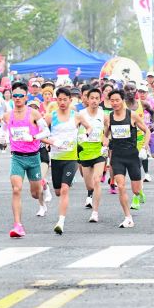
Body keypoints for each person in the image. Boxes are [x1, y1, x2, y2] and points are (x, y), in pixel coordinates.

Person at [2, 82, 50, 238]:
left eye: (20, 96)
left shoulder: (34, 114)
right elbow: (3, 129)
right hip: (17, 157)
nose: (17, 98)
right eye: (14, 96)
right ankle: (18, 225)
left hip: (33, 158)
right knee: (16, 189)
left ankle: (43, 189)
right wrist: (3, 138)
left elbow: (46, 131)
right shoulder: (7, 115)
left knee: (35, 193)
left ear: (26, 97)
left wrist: (34, 137)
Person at [43, 87, 92, 235]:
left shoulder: (76, 116)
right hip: (56, 158)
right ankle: (52, 194)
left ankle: (61, 222)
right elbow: (39, 135)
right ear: (56, 100)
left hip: (71, 158)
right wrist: (51, 142)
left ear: (70, 100)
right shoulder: (50, 117)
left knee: (65, 189)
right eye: (60, 99)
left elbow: (89, 127)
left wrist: (85, 135)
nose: (62, 102)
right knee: (58, 191)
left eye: (65, 99)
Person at [104, 89, 151, 227]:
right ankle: (128, 217)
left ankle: (139, 192)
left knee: (135, 190)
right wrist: (104, 144)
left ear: (122, 101)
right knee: (121, 186)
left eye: (117, 100)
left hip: (132, 156)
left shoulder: (132, 115)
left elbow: (147, 131)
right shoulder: (109, 117)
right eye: (112, 100)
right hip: (117, 157)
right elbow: (105, 134)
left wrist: (144, 147)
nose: (114, 103)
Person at [78, 88, 108, 222]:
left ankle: (95, 213)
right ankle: (90, 193)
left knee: (97, 181)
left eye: (97, 98)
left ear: (100, 100)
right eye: (92, 98)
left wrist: (106, 139)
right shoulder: (81, 114)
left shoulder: (103, 114)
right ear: (87, 99)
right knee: (90, 186)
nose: (94, 101)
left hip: (98, 151)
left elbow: (108, 128)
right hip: (84, 152)